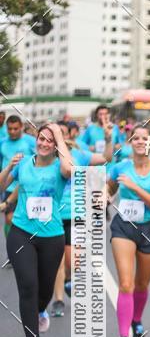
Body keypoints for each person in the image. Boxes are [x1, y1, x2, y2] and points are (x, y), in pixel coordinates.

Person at [0, 122, 73, 337]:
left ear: (56, 146)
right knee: (28, 286)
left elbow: (70, 169)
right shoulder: (23, 163)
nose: (43, 143)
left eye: (49, 141)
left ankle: (40, 310)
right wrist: (8, 167)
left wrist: (59, 135)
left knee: (45, 290)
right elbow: (2, 186)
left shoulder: (59, 169)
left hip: (51, 236)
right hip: (21, 232)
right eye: (41, 138)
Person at [107, 124, 150, 337]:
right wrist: (105, 192)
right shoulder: (121, 166)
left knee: (141, 283)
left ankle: (136, 319)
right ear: (130, 142)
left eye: (145, 138)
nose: (140, 141)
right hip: (124, 226)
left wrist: (134, 187)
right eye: (136, 138)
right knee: (125, 284)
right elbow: (109, 185)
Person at [50, 125, 111, 317]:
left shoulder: (79, 155)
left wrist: (109, 139)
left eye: (62, 133)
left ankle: (69, 279)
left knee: (72, 262)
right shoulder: (46, 158)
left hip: (77, 215)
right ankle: (58, 300)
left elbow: (106, 158)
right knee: (58, 263)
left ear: (67, 135)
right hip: (54, 217)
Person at [0, 115, 36, 265]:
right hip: (10, 186)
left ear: (21, 126)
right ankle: (13, 250)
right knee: (9, 219)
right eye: (10, 129)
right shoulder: (2, 143)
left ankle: (30, 249)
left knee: (29, 220)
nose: (13, 131)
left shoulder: (30, 141)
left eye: (16, 128)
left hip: (28, 187)